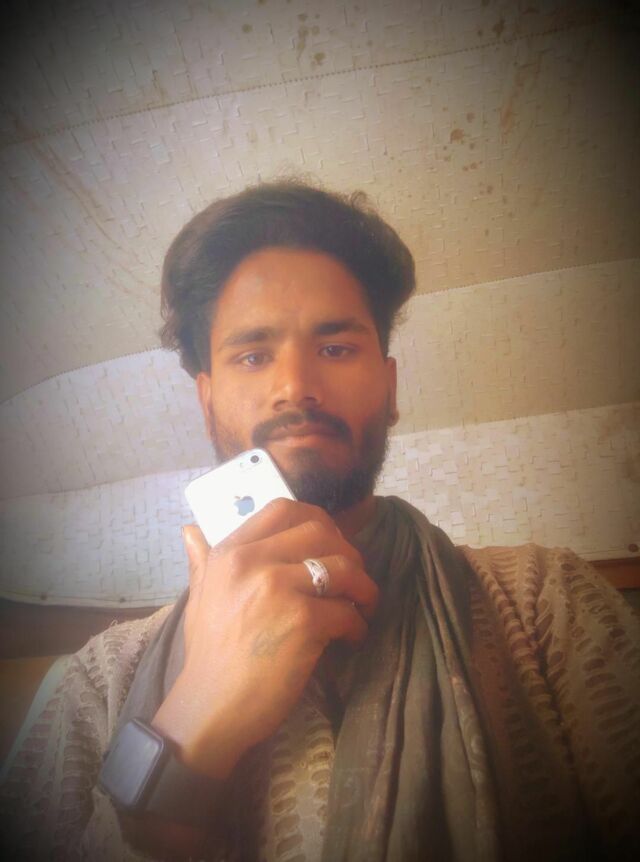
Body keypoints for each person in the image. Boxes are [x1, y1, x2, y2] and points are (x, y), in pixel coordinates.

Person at [1, 181, 639, 862]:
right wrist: (193, 721)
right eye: (253, 355)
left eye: (335, 348)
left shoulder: (545, 601)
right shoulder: (98, 681)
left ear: (390, 389)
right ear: (207, 405)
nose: (295, 386)